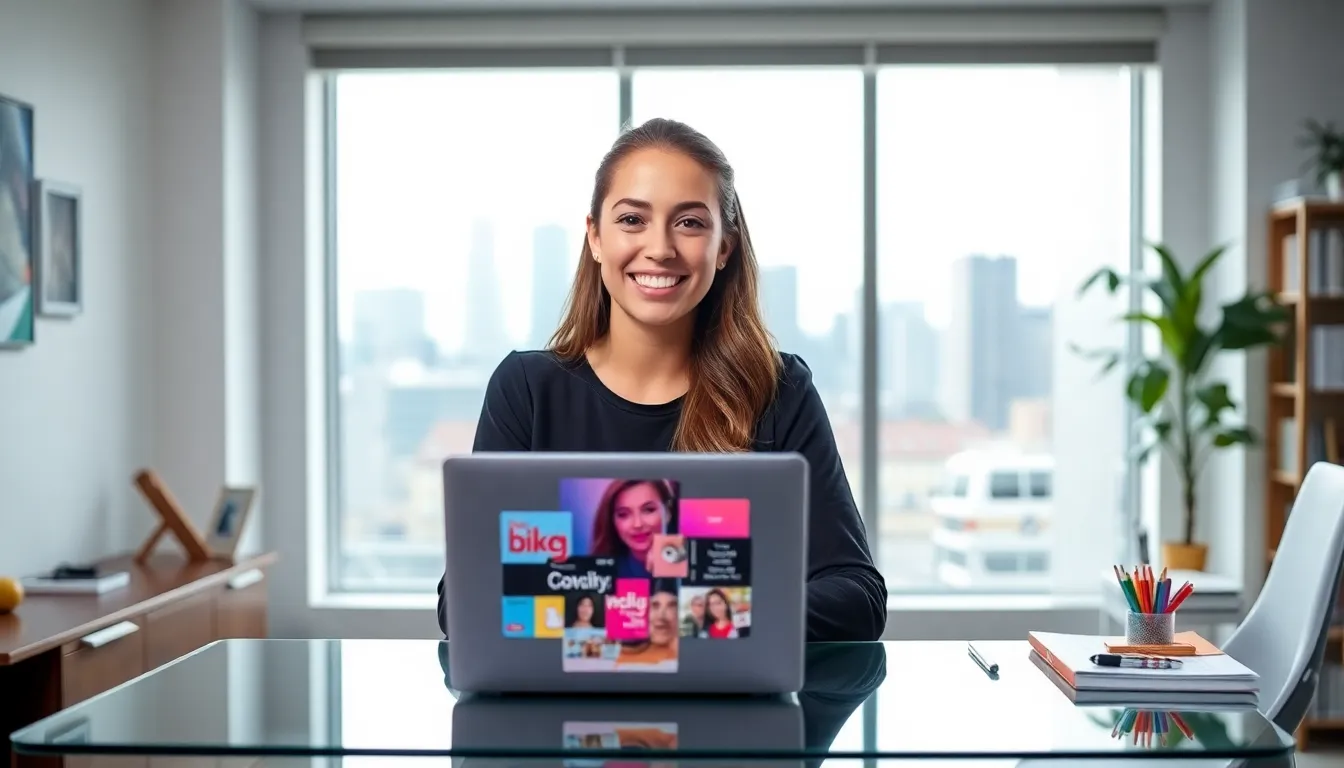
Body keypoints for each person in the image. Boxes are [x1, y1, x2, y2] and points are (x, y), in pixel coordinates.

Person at [437, 117, 886, 642]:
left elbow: (858, 598)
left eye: (690, 223)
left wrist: (647, 617)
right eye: (632, 219)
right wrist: (708, 612)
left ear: (724, 248)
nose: (660, 248)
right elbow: (464, 602)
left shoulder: (778, 390)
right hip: (562, 694)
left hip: (731, 697)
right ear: (595, 237)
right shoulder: (528, 391)